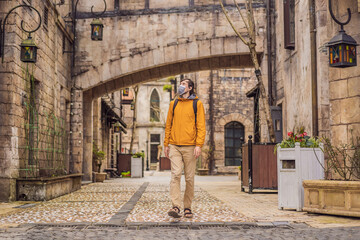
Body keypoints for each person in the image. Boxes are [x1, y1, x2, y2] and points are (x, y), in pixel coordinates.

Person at [164, 78, 206, 218]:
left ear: (190, 88)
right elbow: (168, 124)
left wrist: (199, 145)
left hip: (190, 146)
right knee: (175, 175)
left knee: (189, 178)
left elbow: (201, 126)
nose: (181, 86)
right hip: (174, 145)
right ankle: (176, 206)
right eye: (180, 84)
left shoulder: (197, 104)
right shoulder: (173, 103)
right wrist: (166, 144)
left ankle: (187, 207)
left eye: (183, 84)